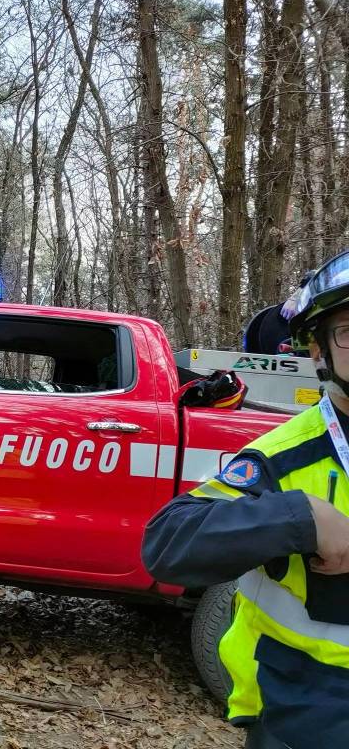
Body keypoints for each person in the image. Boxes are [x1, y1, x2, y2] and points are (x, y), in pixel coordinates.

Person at [142, 249, 349, 749]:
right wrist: (299, 517)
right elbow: (169, 543)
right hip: (309, 718)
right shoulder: (284, 458)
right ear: (317, 350)